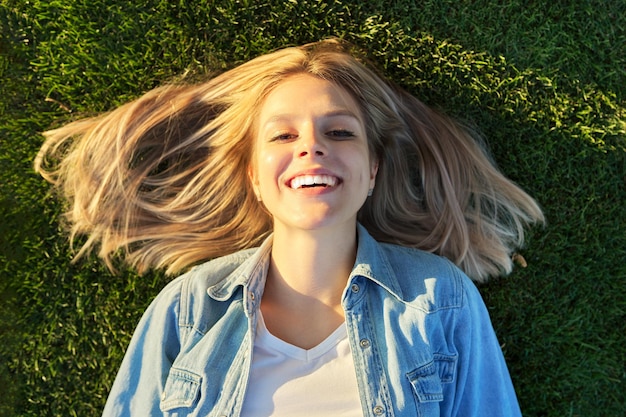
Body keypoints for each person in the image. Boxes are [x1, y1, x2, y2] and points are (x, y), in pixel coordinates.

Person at [35, 39, 544, 416]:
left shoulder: (437, 299)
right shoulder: (189, 308)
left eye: (339, 131)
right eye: (282, 134)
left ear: (372, 171)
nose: (311, 147)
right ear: (254, 176)